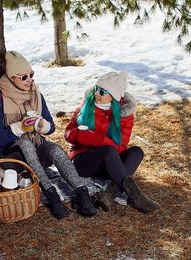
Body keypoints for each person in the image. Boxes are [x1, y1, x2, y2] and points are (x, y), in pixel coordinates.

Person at [0, 51, 97, 219]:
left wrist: (42, 125)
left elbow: (51, 127)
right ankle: (52, 196)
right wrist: (19, 127)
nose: (29, 80)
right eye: (23, 77)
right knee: (25, 144)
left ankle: (82, 195)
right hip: (13, 160)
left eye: (31, 75)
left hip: (37, 153)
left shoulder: (36, 95)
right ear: (11, 78)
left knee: (54, 148)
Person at [64, 71, 159, 213]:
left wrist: (97, 139)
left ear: (113, 96)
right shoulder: (86, 105)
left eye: (102, 91)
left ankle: (110, 193)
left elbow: (120, 147)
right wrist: (86, 136)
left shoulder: (124, 115)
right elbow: (68, 134)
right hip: (83, 162)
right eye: (97, 88)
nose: (97, 93)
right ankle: (135, 196)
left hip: (109, 163)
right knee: (108, 150)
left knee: (136, 151)